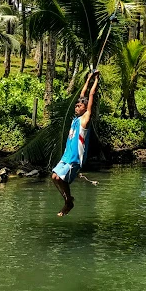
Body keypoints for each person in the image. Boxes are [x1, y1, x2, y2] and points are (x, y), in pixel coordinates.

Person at [51, 69, 99, 216]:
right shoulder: (76, 119)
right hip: (67, 156)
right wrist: (88, 78)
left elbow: (90, 95)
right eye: (76, 105)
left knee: (60, 178)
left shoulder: (85, 119)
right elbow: (83, 94)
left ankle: (68, 203)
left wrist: (96, 79)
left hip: (75, 158)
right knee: (54, 176)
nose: (76, 107)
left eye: (79, 106)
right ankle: (68, 199)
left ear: (85, 108)